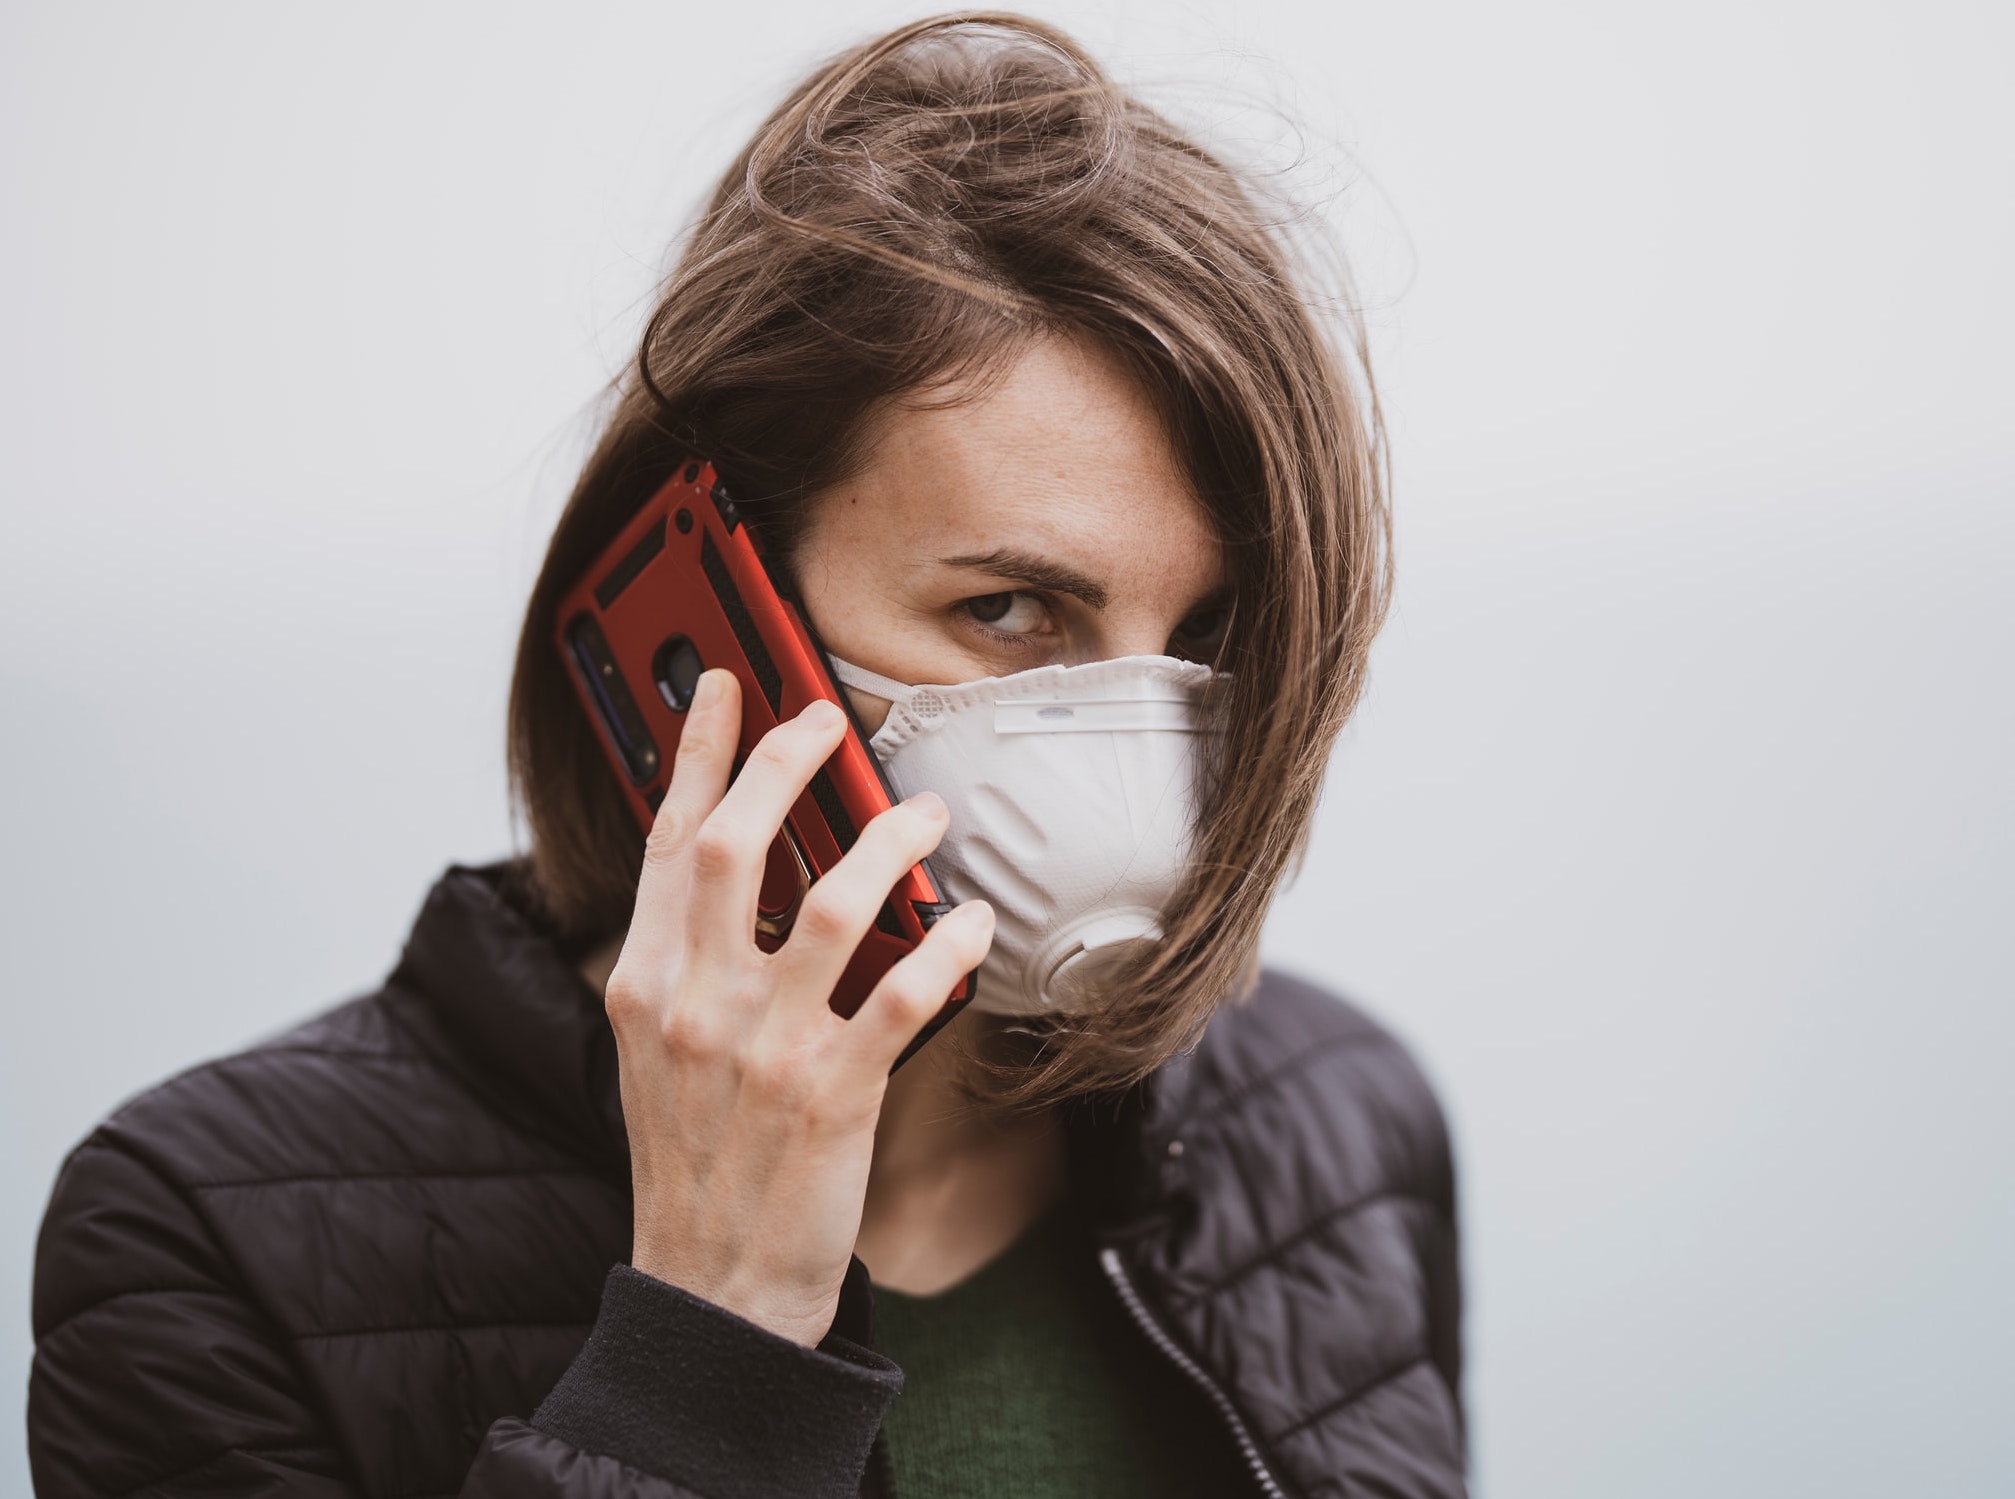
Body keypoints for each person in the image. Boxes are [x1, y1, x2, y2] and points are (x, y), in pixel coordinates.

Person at [28, 14, 1464, 1498]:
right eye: (1013, 607)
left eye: (1209, 635)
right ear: (724, 612)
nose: (1143, 759)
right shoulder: (202, 1246)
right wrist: (707, 1352)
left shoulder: (1339, 1118)